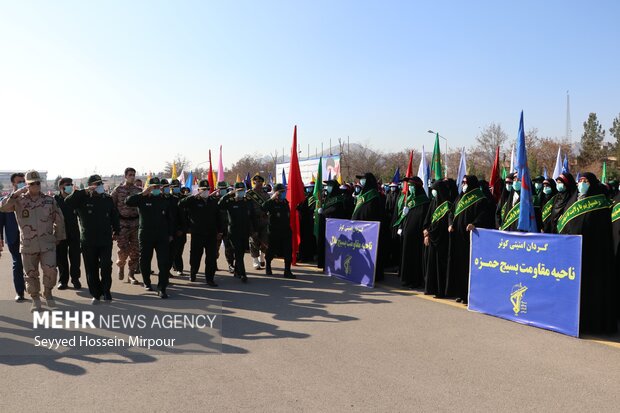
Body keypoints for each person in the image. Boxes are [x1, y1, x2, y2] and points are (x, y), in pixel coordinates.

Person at [557, 172, 616, 334]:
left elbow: (602, 231)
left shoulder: (601, 203)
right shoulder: (572, 201)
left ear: (593, 183)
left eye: (585, 181)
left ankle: (590, 324)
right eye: (580, 181)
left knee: (590, 291)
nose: (582, 184)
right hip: (572, 255)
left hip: (593, 254)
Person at [0, 170, 66, 311]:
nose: (36, 186)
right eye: (32, 183)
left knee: (51, 271)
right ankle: (35, 298)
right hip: (28, 244)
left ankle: (47, 293)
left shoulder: (49, 200)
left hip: (47, 243)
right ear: (26, 185)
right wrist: (17, 193)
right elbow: (3, 207)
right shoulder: (19, 200)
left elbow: (59, 219)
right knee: (30, 274)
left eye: (38, 183)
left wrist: (59, 237)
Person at [66, 175, 120, 303]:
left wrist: (116, 230)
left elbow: (114, 215)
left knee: (106, 265)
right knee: (91, 268)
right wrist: (83, 191)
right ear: (90, 185)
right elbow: (68, 202)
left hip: (105, 238)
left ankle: (106, 290)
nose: (100, 186)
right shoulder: (81, 199)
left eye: (101, 183)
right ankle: (96, 293)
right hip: (88, 240)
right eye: (96, 184)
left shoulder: (107, 199)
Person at [126, 177, 175, 298]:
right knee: (145, 260)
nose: (157, 189)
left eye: (158, 187)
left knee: (163, 262)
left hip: (162, 235)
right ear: (149, 187)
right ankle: (146, 282)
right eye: (154, 187)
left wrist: (170, 234)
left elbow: (170, 218)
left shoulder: (164, 200)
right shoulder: (142, 198)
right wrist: (143, 193)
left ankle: (162, 287)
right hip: (146, 234)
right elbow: (128, 201)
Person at [446, 175, 492, 304]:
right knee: (458, 266)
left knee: (468, 268)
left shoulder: (480, 199)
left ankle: (468, 295)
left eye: (466, 182)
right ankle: (459, 293)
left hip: (470, 240)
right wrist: (450, 224)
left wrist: (475, 224)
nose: (463, 185)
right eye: (462, 182)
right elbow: (451, 212)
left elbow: (484, 216)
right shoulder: (460, 197)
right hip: (457, 238)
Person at [179, 180, 220, 286]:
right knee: (195, 256)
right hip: (197, 233)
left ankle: (210, 278)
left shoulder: (213, 201)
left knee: (211, 257)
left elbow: (218, 217)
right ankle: (193, 273)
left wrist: (219, 231)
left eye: (208, 189)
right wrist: (193, 197)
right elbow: (180, 204)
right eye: (203, 189)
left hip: (211, 233)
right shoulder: (193, 201)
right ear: (198, 190)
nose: (206, 191)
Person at [394, 176, 429, 288]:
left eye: (412, 186)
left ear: (417, 187)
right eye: (409, 187)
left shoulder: (424, 201)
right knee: (406, 256)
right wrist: (401, 226)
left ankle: (415, 280)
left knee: (415, 258)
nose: (410, 188)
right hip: (407, 234)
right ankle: (406, 278)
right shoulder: (408, 200)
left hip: (417, 236)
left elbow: (425, 219)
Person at [110, 167, 141, 284]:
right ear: (125, 176)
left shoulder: (139, 190)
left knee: (136, 250)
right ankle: (121, 264)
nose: (132, 177)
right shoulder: (118, 190)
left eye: (134, 174)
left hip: (135, 224)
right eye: (130, 175)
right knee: (124, 249)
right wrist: (113, 227)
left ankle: (131, 274)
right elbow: (111, 207)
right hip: (122, 224)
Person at [422, 180, 453, 298]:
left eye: (434, 189)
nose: (433, 192)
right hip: (432, 240)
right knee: (431, 266)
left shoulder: (448, 205)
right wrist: (426, 232)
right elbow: (428, 220)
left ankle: (441, 291)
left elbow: (443, 225)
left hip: (441, 241)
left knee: (440, 267)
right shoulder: (433, 203)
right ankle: (431, 288)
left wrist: (430, 234)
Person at [352, 172, 385, 279]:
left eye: (363, 179)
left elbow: (371, 213)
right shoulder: (362, 194)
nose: (361, 182)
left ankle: (374, 274)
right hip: (360, 229)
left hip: (369, 230)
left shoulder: (374, 196)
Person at [219, 182, 254, 282]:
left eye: (243, 190)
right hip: (233, 232)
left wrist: (254, 230)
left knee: (241, 252)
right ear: (234, 191)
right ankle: (243, 274)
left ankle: (237, 271)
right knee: (238, 252)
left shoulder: (248, 201)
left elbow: (253, 216)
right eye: (239, 191)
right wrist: (228, 194)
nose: (241, 192)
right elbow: (220, 205)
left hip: (245, 231)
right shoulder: (230, 201)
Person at [0, 172, 26, 302]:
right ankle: (20, 292)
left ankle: (33, 288)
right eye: (19, 181)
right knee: (18, 263)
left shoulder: (29, 199)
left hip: (29, 236)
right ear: (13, 184)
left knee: (31, 264)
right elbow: (1, 222)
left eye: (23, 180)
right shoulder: (5, 201)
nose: (22, 183)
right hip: (13, 237)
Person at [54, 177, 82, 290]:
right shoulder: (55, 200)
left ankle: (75, 279)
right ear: (61, 187)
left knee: (75, 257)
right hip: (60, 233)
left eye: (71, 184)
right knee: (61, 258)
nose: (70, 186)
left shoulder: (74, 199)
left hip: (74, 231)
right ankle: (63, 281)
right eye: (68, 184)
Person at [262, 183, 295, 278]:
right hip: (274, 231)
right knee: (272, 250)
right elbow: (263, 208)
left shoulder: (285, 202)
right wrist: (271, 199)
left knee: (288, 251)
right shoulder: (271, 203)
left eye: (284, 191)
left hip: (286, 230)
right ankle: (268, 265)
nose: (284, 193)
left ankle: (287, 271)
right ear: (276, 193)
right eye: (281, 192)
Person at [316, 179, 348, 269]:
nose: (327, 187)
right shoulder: (328, 197)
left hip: (333, 229)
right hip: (325, 225)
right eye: (327, 185)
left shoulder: (339, 199)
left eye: (329, 185)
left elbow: (335, 211)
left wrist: (324, 212)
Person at [246, 173, 270, 270]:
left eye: (260, 181)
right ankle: (255, 260)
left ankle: (262, 257)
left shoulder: (266, 194)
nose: (258, 183)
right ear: (253, 182)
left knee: (265, 239)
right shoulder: (249, 194)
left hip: (264, 220)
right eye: (256, 181)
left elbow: (269, 207)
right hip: (253, 220)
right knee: (254, 240)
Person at [214, 181, 236, 273]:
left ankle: (231, 265)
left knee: (229, 248)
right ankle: (213, 264)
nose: (223, 190)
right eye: (221, 189)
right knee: (215, 248)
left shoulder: (230, 199)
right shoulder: (213, 199)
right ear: (217, 189)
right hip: (217, 228)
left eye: (224, 189)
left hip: (227, 227)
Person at [168, 178, 187, 276]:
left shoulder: (183, 198)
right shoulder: (168, 198)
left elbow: (185, 216)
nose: (175, 188)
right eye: (173, 187)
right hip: (170, 229)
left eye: (177, 187)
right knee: (170, 251)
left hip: (180, 229)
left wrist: (182, 229)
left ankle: (179, 268)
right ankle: (169, 268)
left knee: (179, 250)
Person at [296, 182, 317, 262]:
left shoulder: (314, 198)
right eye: (307, 187)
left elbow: (310, 210)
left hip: (308, 221)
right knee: (302, 239)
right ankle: (301, 255)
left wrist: (300, 209)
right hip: (302, 221)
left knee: (308, 239)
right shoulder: (304, 196)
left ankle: (307, 257)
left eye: (311, 187)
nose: (309, 189)